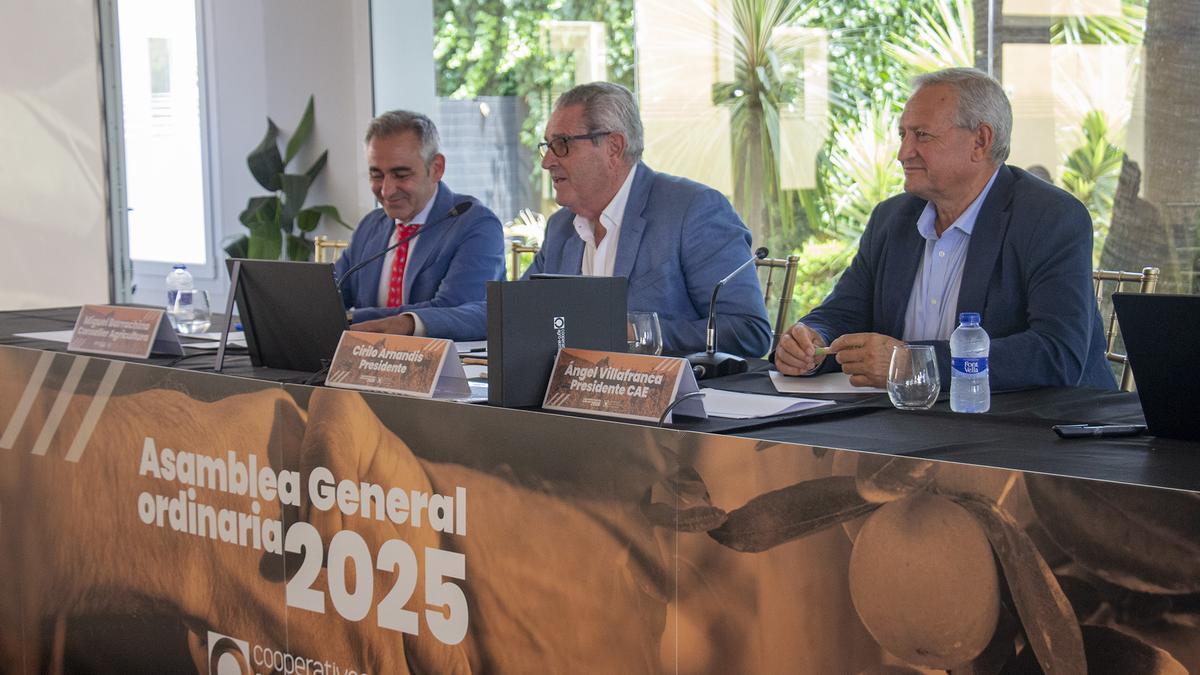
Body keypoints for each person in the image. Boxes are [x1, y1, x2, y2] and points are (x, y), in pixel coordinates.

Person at [356, 83, 772, 356]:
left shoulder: (692, 210)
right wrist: (412, 323)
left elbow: (748, 332)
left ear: (613, 146)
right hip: (572, 413)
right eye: (547, 145)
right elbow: (506, 313)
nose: (547, 161)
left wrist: (626, 331)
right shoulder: (561, 229)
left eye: (561, 145)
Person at [775, 67, 1115, 391]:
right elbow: (843, 312)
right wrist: (810, 341)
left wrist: (914, 363)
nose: (903, 152)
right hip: (908, 422)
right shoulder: (892, 219)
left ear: (980, 141)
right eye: (903, 135)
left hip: (1036, 432)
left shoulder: (1051, 218)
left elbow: (1056, 354)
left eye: (921, 135)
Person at [334, 110, 504, 332]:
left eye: (401, 175)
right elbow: (331, 300)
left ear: (436, 169)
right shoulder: (370, 226)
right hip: (365, 359)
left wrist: (352, 318)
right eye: (377, 175)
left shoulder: (475, 224)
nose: (386, 190)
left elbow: (452, 309)